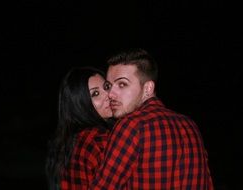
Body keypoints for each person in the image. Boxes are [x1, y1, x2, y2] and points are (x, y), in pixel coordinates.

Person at [89, 48, 213, 189]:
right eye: (109, 86)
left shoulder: (131, 125)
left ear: (148, 88)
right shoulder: (189, 125)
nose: (110, 94)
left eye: (122, 84)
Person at [46, 66, 114, 190]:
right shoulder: (100, 140)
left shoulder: (68, 142)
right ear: (80, 104)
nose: (109, 95)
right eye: (95, 93)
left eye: (106, 87)